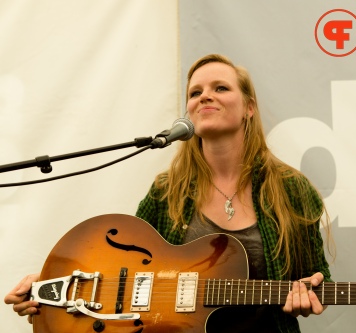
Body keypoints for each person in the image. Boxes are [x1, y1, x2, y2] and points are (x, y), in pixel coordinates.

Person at [5, 54, 333, 332]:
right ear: (188, 112)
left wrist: (306, 297)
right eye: (195, 92)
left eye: (220, 88)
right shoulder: (167, 191)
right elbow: (122, 270)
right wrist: (52, 283)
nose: (205, 96)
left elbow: (319, 281)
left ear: (249, 107)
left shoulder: (291, 189)